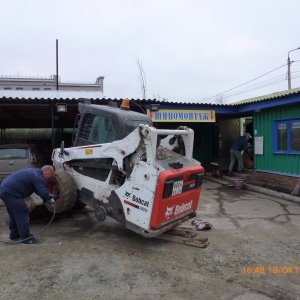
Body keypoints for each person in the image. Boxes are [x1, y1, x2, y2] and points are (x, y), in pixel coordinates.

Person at [0, 165, 56, 245]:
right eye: (49, 176)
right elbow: (42, 192)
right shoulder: (38, 176)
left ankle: (14, 236)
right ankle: (27, 239)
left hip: (4, 190)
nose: (47, 179)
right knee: (22, 214)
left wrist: (46, 197)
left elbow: (37, 190)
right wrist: (49, 198)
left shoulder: (34, 172)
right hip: (12, 192)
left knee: (14, 214)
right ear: (47, 173)